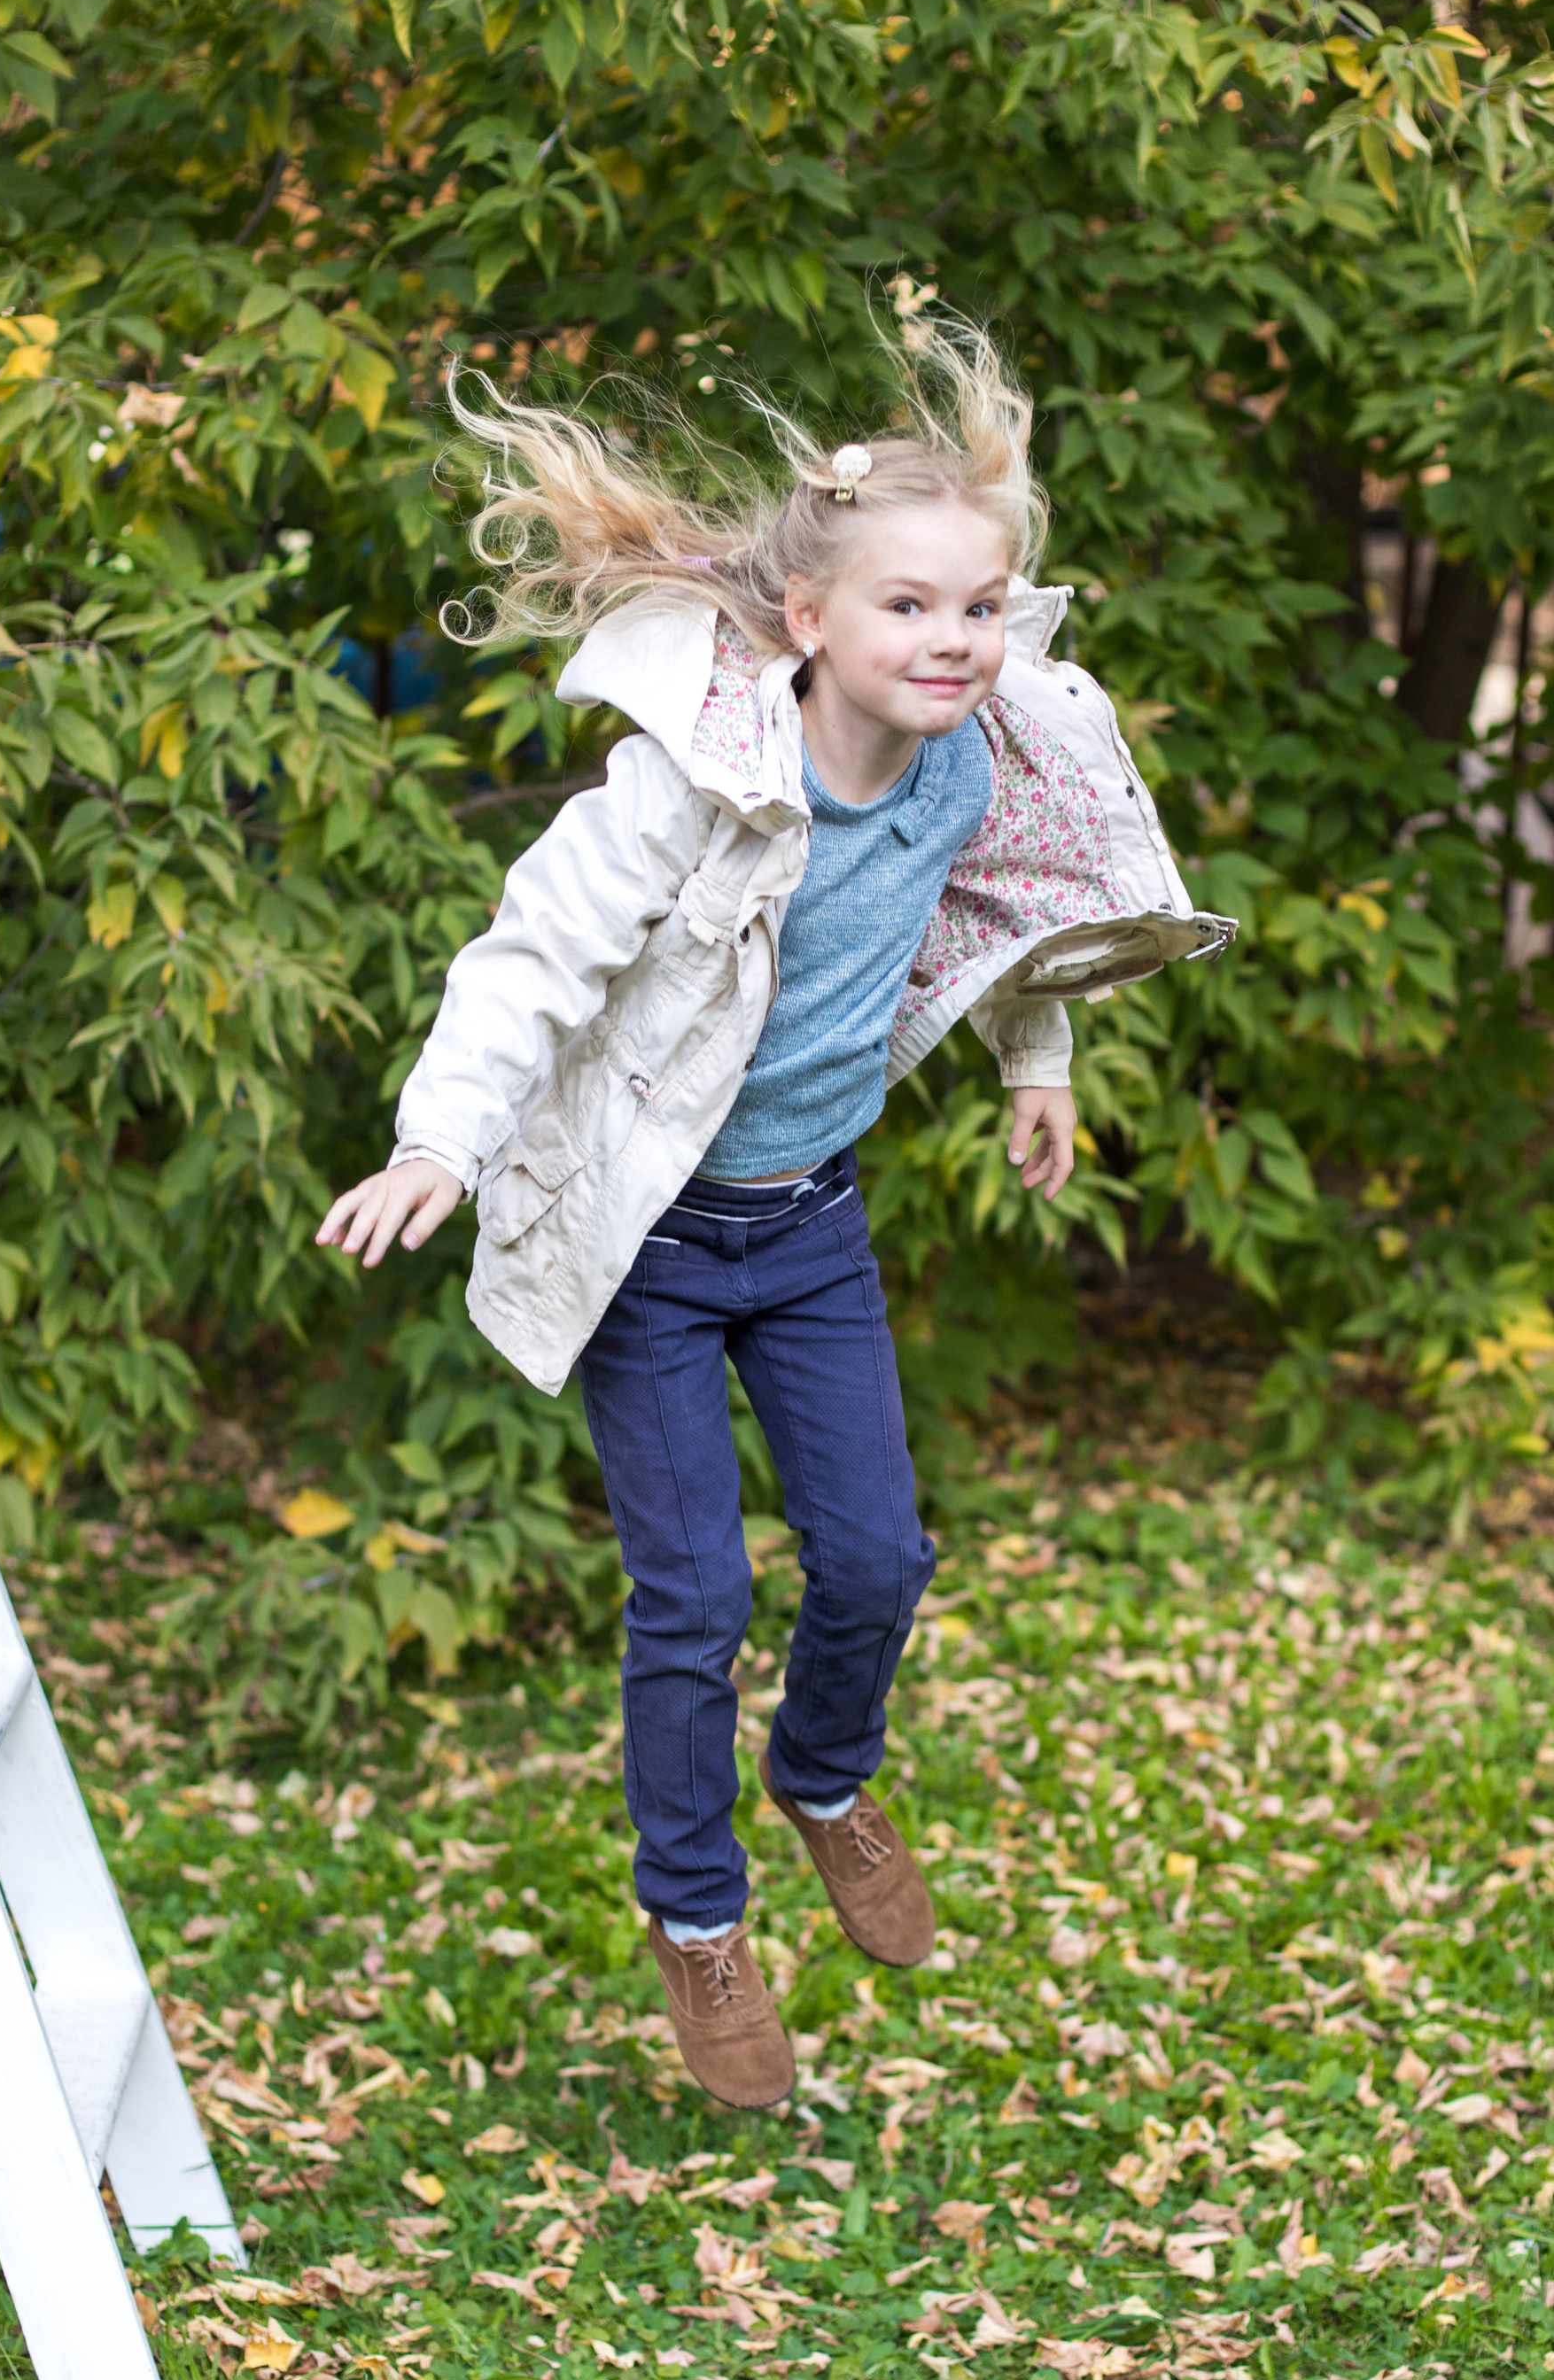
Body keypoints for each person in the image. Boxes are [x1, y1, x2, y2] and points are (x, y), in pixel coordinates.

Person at [317, 323, 1225, 2111]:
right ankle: (696, 1914)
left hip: (809, 1228)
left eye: (979, 608)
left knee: (878, 1561)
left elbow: (1003, 912)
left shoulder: (965, 767)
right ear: (808, 618)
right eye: (908, 607)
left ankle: (820, 1775)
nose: (953, 640)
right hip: (650, 1245)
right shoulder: (692, 783)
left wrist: (1037, 1057)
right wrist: (440, 1142)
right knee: (694, 1596)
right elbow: (532, 955)